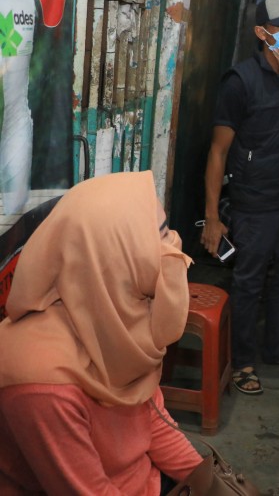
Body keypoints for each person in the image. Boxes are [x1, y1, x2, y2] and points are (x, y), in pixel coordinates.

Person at [0, 171, 203, 495]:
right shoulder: (40, 384)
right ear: (115, 256)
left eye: (167, 230)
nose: (174, 245)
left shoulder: (117, 319)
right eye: (160, 236)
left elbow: (154, 422)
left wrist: (209, 481)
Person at [201, 0, 279, 395]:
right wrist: (213, 217)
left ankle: (278, 347)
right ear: (261, 33)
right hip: (255, 204)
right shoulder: (240, 82)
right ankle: (241, 361)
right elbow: (218, 152)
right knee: (249, 283)